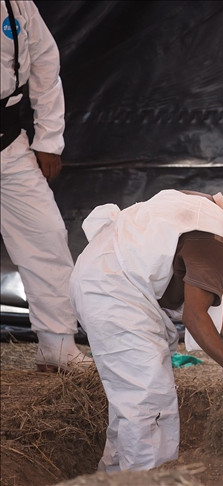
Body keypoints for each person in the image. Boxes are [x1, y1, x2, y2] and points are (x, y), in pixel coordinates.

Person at [69, 185, 223, 472]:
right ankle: (146, 480)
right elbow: (194, 316)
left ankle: (115, 476)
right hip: (114, 289)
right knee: (149, 401)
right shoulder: (213, 238)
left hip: (107, 277)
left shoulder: (202, 208)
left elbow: (177, 274)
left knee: (133, 403)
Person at [1, 0, 91, 371]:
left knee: (47, 236)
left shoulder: (17, 5)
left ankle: (57, 347)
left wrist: (48, 140)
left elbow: (44, 65)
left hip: (7, 141)